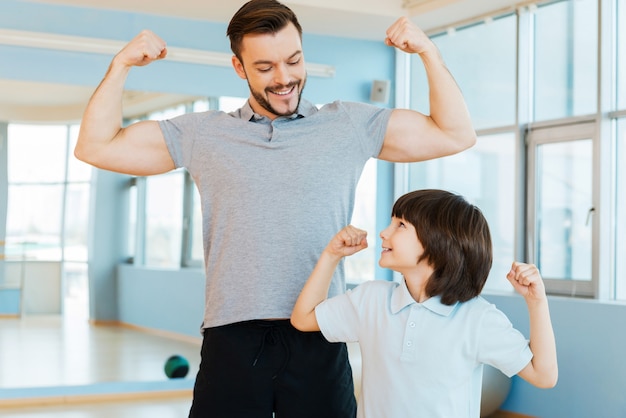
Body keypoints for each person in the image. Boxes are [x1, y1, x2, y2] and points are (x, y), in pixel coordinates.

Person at [74, 0, 477, 416]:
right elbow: (95, 146)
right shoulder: (204, 133)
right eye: (265, 67)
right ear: (239, 68)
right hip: (232, 336)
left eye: (294, 60)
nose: (284, 78)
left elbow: (454, 134)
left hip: (320, 331)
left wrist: (428, 51)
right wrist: (121, 64)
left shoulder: (348, 126)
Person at [291, 189, 559, 418]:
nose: (384, 233)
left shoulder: (477, 318)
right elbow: (303, 319)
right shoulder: (370, 300)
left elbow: (544, 376)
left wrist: (537, 302)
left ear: (438, 243)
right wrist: (331, 256)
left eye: (401, 225)